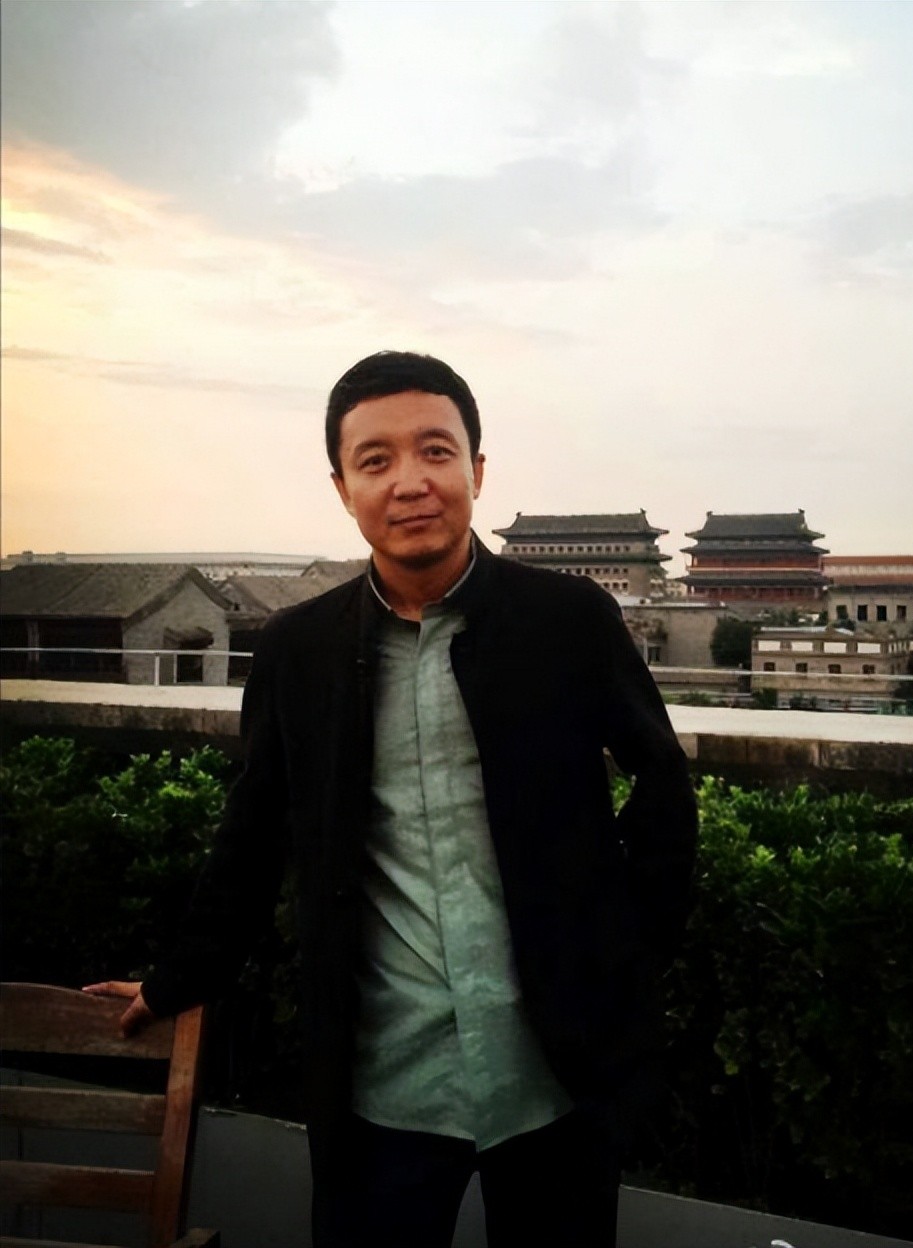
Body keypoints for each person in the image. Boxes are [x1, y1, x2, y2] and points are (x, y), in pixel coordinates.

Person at [87, 350, 698, 1248]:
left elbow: (664, 788)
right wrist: (179, 979)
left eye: (435, 451)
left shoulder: (568, 622)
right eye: (375, 460)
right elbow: (253, 835)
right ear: (343, 489)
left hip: (554, 1069)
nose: (410, 482)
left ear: (477, 471)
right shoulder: (300, 649)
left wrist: (626, 955)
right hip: (382, 1078)